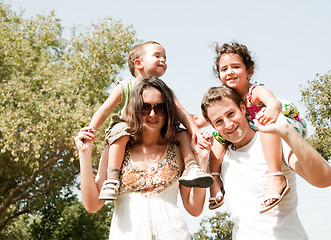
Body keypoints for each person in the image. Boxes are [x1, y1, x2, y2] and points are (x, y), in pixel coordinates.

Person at [75, 78, 208, 239]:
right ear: (135, 109)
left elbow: (194, 208)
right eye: (145, 108)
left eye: (160, 108)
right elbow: (92, 205)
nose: (153, 114)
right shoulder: (116, 149)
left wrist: (202, 161)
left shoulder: (179, 148)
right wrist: (84, 154)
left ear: (168, 111)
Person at [200, 86, 331, 239]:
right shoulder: (222, 158)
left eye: (231, 114)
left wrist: (289, 132)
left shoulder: (273, 142)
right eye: (219, 121)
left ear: (242, 108)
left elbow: (325, 179)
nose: (228, 124)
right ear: (213, 126)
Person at [86, 41, 213, 200]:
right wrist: (91, 129)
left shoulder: (164, 91)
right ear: (138, 63)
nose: (163, 61)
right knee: (120, 134)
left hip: (153, 131)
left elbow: (182, 113)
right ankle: (112, 178)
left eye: (165, 58)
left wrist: (197, 133)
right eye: (157, 56)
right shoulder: (125, 86)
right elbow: (105, 109)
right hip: (125, 127)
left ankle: (191, 166)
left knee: (182, 134)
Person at [195, 42, 307, 213]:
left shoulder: (255, 91)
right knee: (218, 134)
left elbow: (274, 104)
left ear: (249, 71)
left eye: (235, 66)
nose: (230, 72)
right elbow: (199, 120)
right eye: (224, 69)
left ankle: (276, 175)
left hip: (286, 123)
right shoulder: (225, 100)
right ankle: (215, 180)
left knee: (264, 121)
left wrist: (268, 112)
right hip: (255, 126)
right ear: (219, 77)